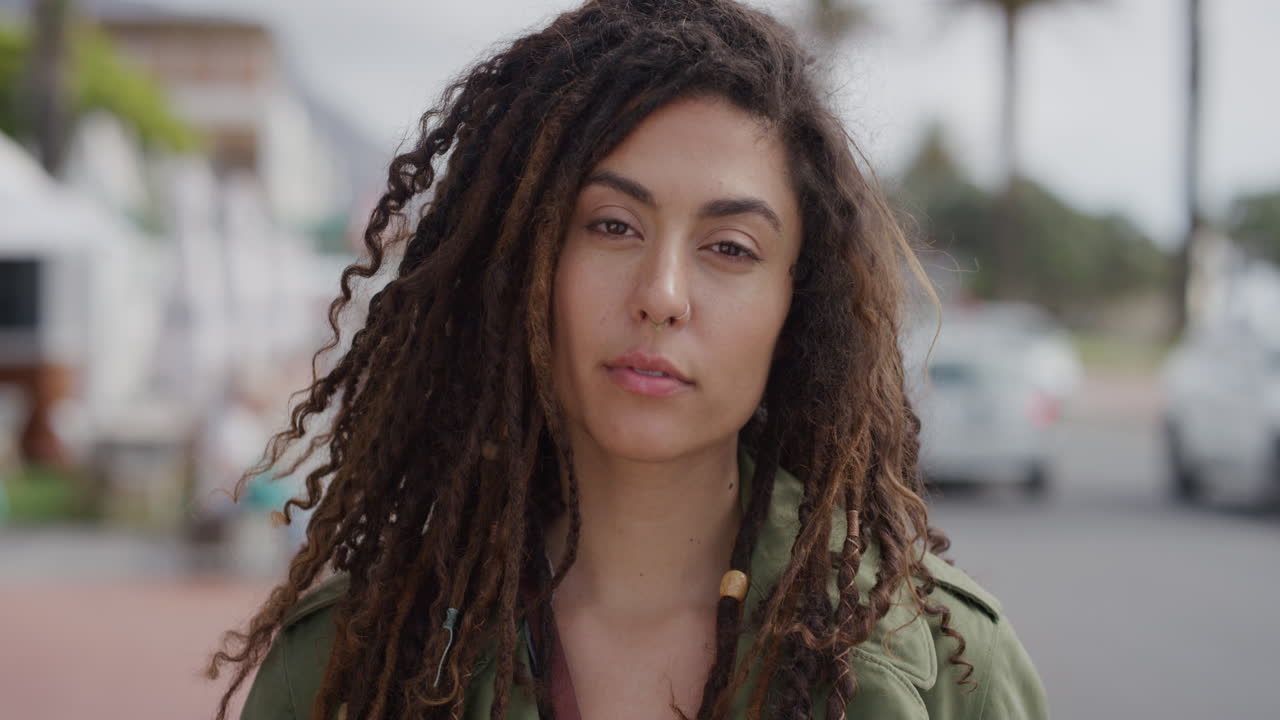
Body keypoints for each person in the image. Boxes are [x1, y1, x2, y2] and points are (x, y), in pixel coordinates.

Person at [209, 1, 1049, 718]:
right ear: (522, 266)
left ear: (797, 304)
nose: (663, 293)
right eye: (613, 225)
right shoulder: (346, 665)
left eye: (729, 246)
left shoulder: (952, 668)